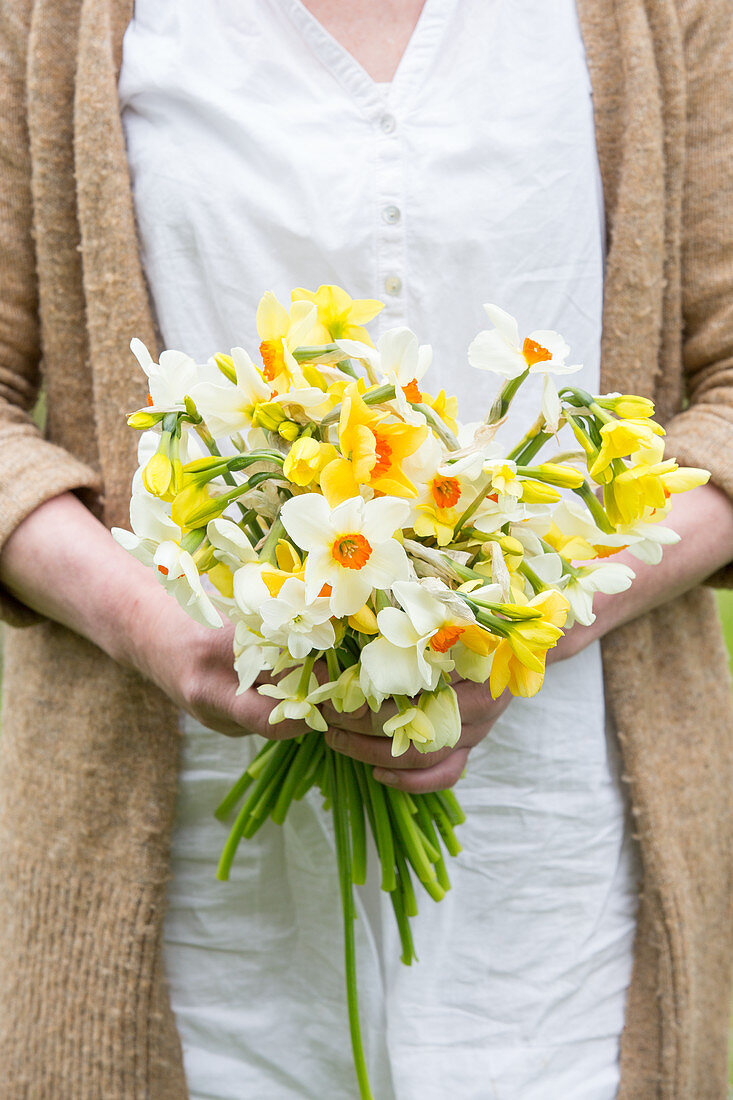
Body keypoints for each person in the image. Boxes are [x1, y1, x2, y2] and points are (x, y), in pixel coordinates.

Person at [0, 1, 731, 1098]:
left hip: (559, 909)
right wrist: (163, 634)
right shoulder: (50, 21)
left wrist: (539, 602)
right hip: (199, 930)